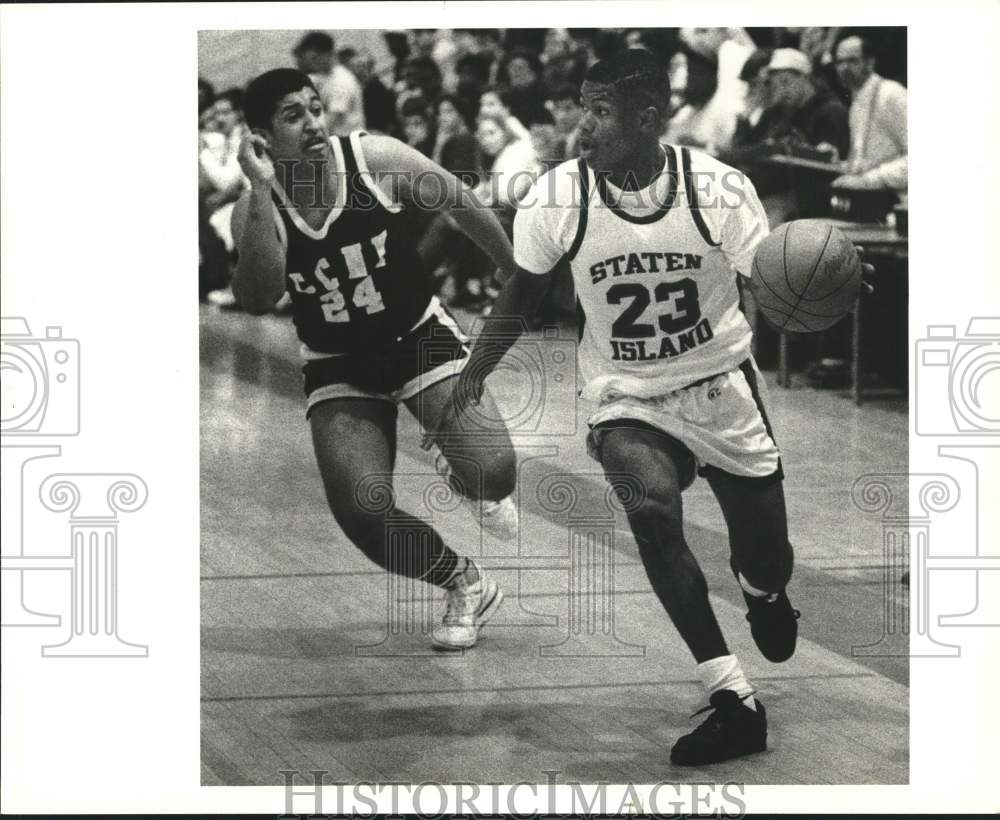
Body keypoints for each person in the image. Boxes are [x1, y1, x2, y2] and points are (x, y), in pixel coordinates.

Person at [435, 49, 805, 765]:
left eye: (600, 111)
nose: (582, 126)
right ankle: (732, 695)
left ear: (646, 118)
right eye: (581, 106)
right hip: (625, 394)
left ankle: (763, 587)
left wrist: (821, 295)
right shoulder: (557, 198)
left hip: (720, 382)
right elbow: (521, 293)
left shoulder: (719, 190)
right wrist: (472, 376)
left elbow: (774, 281)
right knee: (650, 507)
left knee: (768, 553)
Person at [231, 68, 518, 650]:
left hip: (416, 333)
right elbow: (258, 298)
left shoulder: (373, 158)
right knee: (362, 512)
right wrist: (261, 191)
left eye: (315, 107)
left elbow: (458, 199)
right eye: (293, 115)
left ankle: (458, 461)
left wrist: (514, 271)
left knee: (495, 473)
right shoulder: (255, 207)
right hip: (338, 361)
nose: (313, 122)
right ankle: (465, 582)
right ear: (260, 137)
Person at [831, 33, 907, 191]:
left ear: (870, 63)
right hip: (871, 196)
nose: (844, 68)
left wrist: (870, 181)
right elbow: (867, 161)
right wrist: (835, 162)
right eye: (839, 62)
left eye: (852, 61)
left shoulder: (891, 94)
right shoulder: (857, 100)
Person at [293, 31, 365, 136]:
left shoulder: (341, 82)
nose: (301, 63)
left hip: (347, 144)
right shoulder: (324, 78)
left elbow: (329, 122)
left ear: (326, 55)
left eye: (312, 58)